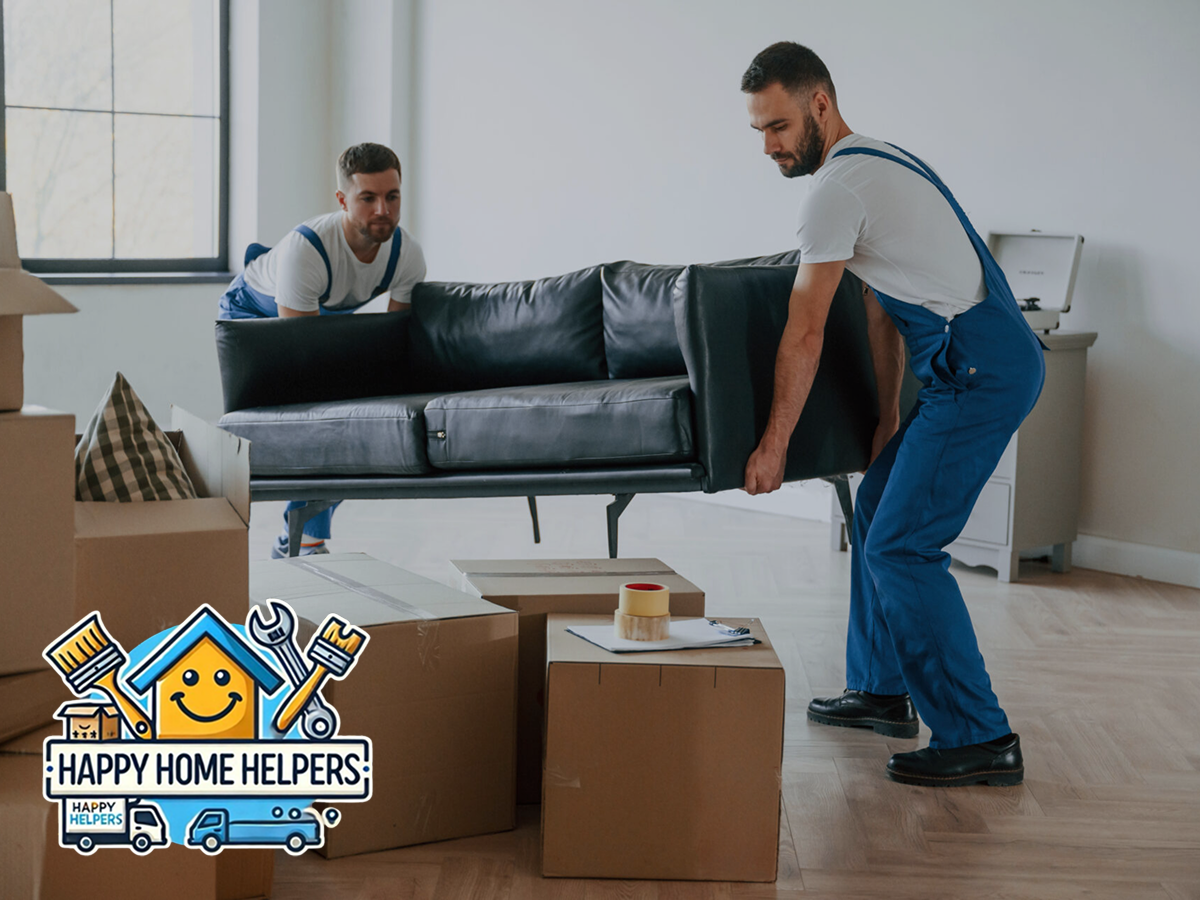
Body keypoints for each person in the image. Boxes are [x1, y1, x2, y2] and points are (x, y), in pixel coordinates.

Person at [740, 43, 1044, 786]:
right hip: (961, 365)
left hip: (981, 368)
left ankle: (980, 735)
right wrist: (885, 420)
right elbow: (884, 310)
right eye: (758, 132)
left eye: (778, 126)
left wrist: (773, 445)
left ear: (820, 104)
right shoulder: (878, 161)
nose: (770, 146)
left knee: (902, 546)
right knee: (876, 508)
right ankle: (880, 690)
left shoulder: (836, 192)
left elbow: (804, 328)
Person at [218, 142, 426, 558]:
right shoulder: (308, 251)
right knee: (317, 417)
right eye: (368, 198)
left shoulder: (407, 256)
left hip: (319, 315)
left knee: (365, 418)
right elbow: (304, 362)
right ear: (342, 200)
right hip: (250, 311)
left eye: (392, 196)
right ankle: (303, 543)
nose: (383, 209)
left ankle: (296, 541)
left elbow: (398, 341)